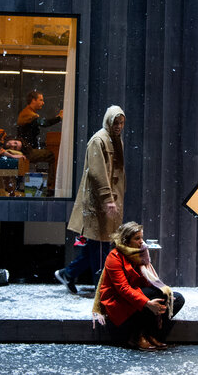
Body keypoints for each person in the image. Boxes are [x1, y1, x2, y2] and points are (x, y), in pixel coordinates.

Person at [56, 105, 126, 293]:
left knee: (98, 244)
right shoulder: (99, 140)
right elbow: (97, 173)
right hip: (98, 204)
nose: (119, 126)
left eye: (121, 122)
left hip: (107, 202)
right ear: (108, 121)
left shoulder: (114, 140)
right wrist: (107, 199)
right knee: (100, 246)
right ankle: (101, 289)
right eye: (116, 122)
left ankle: (69, 273)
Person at [92, 222, 184, 351]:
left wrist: (162, 296)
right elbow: (123, 288)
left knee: (176, 298)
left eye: (142, 237)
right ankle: (137, 336)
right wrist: (147, 303)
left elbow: (149, 282)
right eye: (137, 238)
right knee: (151, 296)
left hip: (136, 294)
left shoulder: (141, 254)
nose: (141, 242)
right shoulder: (114, 256)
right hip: (118, 300)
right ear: (126, 240)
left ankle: (149, 333)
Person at [16, 90, 62, 164]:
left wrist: (58, 117)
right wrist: (59, 118)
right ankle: (53, 176)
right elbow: (44, 123)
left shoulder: (27, 113)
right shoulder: (29, 115)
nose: (43, 103)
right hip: (27, 151)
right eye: (40, 100)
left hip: (28, 149)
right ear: (33, 100)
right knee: (52, 155)